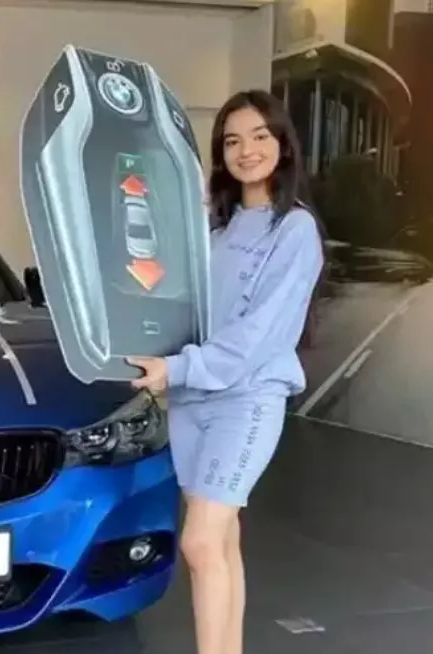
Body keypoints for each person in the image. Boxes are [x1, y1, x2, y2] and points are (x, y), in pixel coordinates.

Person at [126, 89, 325, 654]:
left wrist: (176, 367)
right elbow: (178, 305)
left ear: (283, 144)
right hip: (192, 401)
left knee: (199, 542)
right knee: (221, 542)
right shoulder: (214, 229)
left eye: (260, 136)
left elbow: (257, 334)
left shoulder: (295, 230)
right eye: (233, 141)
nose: (247, 151)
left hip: (246, 400)